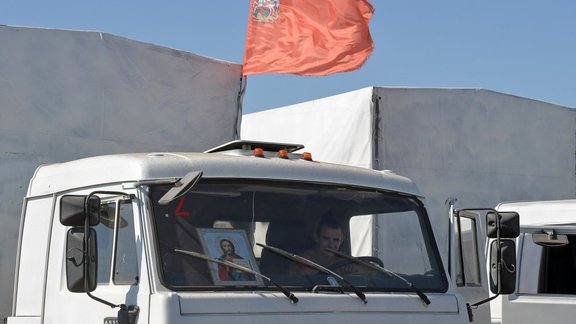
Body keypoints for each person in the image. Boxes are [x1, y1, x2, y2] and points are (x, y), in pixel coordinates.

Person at [289, 218, 357, 275]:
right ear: (316, 238)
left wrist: (351, 271)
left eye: (336, 240)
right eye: (326, 239)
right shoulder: (301, 262)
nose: (331, 245)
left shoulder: (345, 262)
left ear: (341, 241)